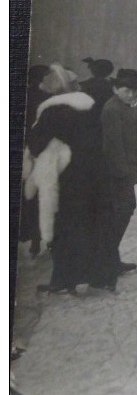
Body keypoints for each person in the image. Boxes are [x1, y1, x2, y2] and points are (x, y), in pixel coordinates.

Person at [25, 64, 116, 294]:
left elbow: (36, 144)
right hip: (95, 172)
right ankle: (101, 275)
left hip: (69, 177)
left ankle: (64, 278)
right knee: (95, 222)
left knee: (66, 227)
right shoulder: (90, 106)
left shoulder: (51, 111)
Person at [100, 68, 137, 282]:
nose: (131, 94)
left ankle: (110, 258)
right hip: (117, 172)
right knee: (123, 210)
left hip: (125, 169)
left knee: (125, 210)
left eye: (133, 91)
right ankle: (107, 259)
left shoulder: (124, 106)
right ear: (115, 89)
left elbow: (130, 142)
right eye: (126, 90)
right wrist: (123, 173)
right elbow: (113, 145)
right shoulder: (112, 109)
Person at [19, 64, 51, 258]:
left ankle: (33, 239)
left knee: (30, 195)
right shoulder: (47, 98)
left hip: (27, 152)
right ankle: (43, 238)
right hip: (43, 151)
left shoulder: (23, 96)